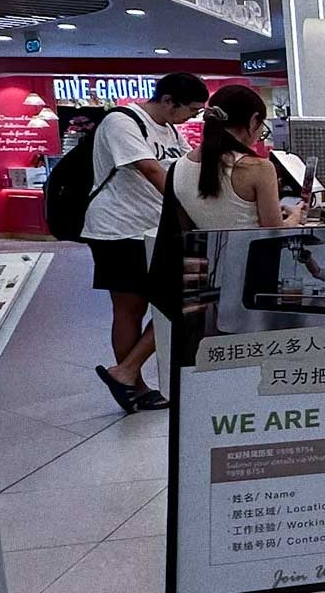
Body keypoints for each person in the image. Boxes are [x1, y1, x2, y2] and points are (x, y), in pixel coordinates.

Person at [85, 72, 207, 413]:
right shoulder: (121, 122)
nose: (193, 117)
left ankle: (125, 373)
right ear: (168, 101)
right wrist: (189, 211)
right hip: (118, 230)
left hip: (155, 230)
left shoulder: (170, 129)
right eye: (192, 110)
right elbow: (152, 172)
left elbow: (185, 171)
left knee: (176, 302)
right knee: (130, 308)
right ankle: (133, 384)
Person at [169, 84, 304, 232]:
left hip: (207, 254)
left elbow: (185, 227)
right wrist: (295, 216)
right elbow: (275, 231)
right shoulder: (259, 168)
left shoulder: (178, 167)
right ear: (253, 120)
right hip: (253, 254)